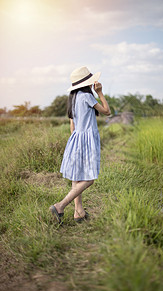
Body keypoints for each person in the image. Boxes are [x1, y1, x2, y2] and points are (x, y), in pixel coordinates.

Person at [49, 66, 111, 224]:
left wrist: (75, 141)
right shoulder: (86, 96)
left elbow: (72, 124)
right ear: (87, 83)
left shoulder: (74, 97)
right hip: (87, 138)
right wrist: (100, 93)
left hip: (75, 138)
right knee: (89, 179)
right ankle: (60, 205)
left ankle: (79, 212)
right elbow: (106, 111)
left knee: (77, 176)